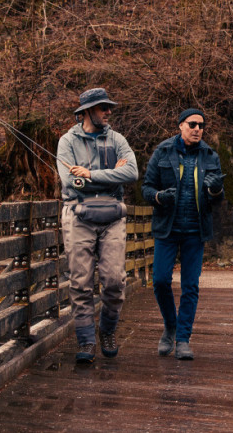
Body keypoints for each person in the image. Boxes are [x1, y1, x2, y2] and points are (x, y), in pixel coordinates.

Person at [57, 88, 138, 364]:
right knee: (80, 282)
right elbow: (70, 182)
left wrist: (91, 174)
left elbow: (131, 172)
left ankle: (107, 330)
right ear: (87, 111)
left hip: (113, 215)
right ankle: (86, 340)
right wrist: (112, 175)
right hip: (78, 215)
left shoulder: (118, 139)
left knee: (115, 280)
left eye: (108, 107)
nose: (108, 112)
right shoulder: (67, 142)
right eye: (103, 107)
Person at [142, 108, 225, 360]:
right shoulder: (163, 151)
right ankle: (171, 324)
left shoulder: (210, 155)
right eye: (192, 124)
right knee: (159, 281)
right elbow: (146, 187)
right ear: (180, 126)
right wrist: (159, 197)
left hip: (195, 231)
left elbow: (218, 199)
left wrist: (215, 190)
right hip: (167, 229)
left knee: (190, 286)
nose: (198, 129)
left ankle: (183, 339)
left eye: (201, 125)